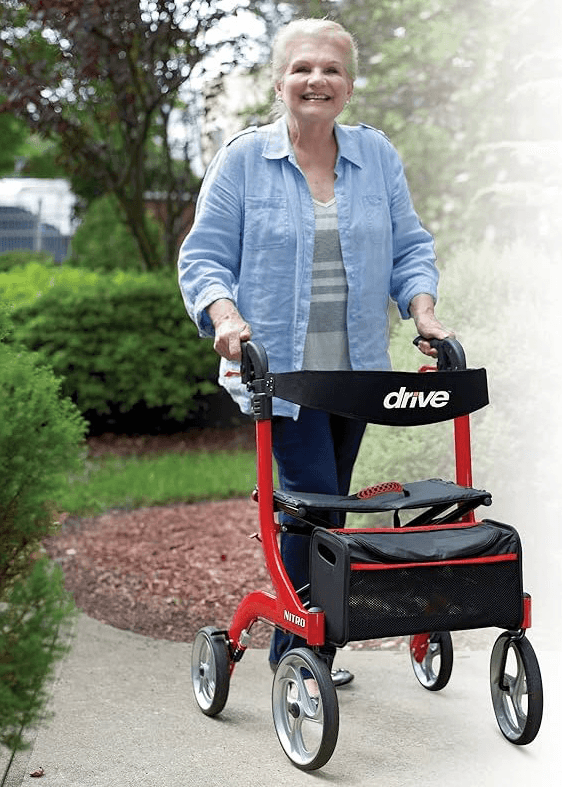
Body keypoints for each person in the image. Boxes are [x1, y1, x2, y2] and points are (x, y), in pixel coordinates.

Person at [178, 18, 454, 686]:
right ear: (279, 82)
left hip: (356, 372)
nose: (316, 80)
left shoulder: (376, 157)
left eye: (330, 69)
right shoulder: (245, 159)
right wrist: (223, 315)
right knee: (313, 507)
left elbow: (410, 246)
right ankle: (301, 655)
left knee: (323, 511)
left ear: (349, 84)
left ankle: (309, 639)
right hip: (282, 374)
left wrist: (422, 309)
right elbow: (204, 256)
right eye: (302, 68)